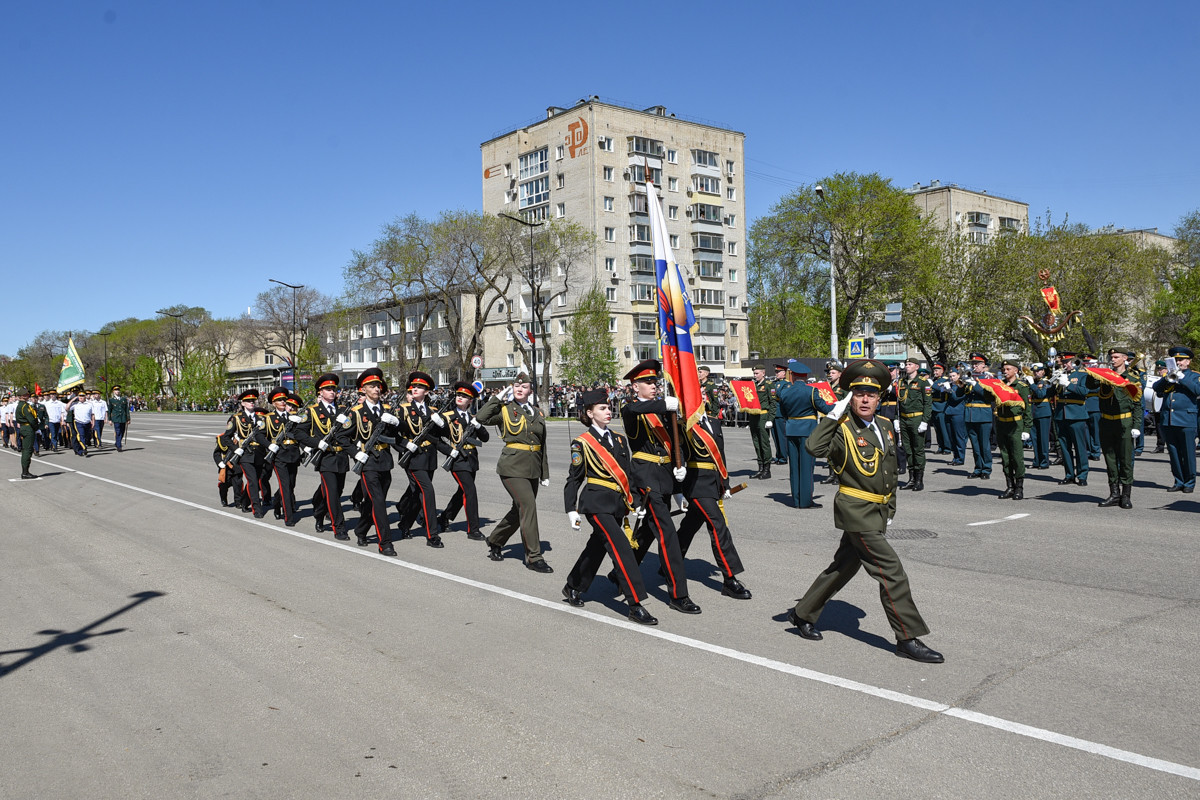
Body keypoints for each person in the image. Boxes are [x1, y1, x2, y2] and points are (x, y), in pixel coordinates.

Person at [787, 359, 943, 664]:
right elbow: (812, 447)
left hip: (878, 511)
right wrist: (835, 412)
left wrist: (891, 506)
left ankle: (802, 612)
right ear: (850, 397)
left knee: (843, 566)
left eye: (871, 394)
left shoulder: (884, 426)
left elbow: (889, 470)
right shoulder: (840, 430)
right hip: (856, 511)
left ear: (880, 398)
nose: (865, 399)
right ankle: (907, 638)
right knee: (892, 573)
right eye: (858, 393)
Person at [561, 389, 658, 625]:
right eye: (602, 408)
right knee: (621, 548)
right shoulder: (582, 443)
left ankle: (573, 585)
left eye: (608, 407)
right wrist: (571, 509)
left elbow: (629, 475)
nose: (608, 411)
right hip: (595, 503)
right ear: (589, 412)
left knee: (597, 547)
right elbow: (574, 478)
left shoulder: (620, 439)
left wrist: (635, 501)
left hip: (617, 504)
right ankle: (635, 604)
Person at [615, 359, 699, 614]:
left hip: (665, 475)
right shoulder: (630, 408)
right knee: (667, 534)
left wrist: (680, 465)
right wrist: (665, 404)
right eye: (647, 382)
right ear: (635, 385)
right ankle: (678, 594)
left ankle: (619, 574)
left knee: (648, 532)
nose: (653, 386)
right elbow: (635, 411)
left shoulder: (663, 411)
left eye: (655, 382)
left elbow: (676, 440)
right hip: (645, 478)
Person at [475, 373, 554, 573]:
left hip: (532, 467)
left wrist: (544, 473)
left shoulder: (537, 413)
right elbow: (481, 417)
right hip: (512, 466)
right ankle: (534, 557)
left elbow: (541, 445)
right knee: (528, 506)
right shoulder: (505, 410)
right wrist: (497, 398)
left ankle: (495, 540)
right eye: (516, 386)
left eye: (524, 386)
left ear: (530, 390)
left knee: (519, 510)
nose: (519, 389)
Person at [675, 406, 752, 600]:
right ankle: (729, 578)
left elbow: (720, 455)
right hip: (696, 484)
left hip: (713, 483)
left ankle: (669, 562)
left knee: (688, 527)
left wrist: (724, 484)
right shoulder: (683, 424)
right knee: (718, 526)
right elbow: (678, 452)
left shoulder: (714, 422)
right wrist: (678, 487)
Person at [348, 368, 401, 554]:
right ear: (363, 390)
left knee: (373, 502)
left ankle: (361, 529)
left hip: (385, 461)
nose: (377, 389)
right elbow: (341, 436)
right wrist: (356, 453)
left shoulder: (388, 410)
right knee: (379, 502)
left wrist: (395, 424)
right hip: (368, 462)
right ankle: (385, 542)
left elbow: (395, 436)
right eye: (372, 386)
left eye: (378, 385)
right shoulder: (356, 412)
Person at [394, 371, 447, 548]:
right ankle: (432, 535)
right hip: (413, 458)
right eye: (414, 386)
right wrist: (405, 446)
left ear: (427, 391)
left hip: (429, 458)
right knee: (428, 492)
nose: (415, 388)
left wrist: (441, 425)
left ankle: (404, 524)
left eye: (420, 387)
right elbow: (394, 434)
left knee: (417, 495)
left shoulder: (433, 411)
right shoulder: (403, 409)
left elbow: (440, 436)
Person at [300, 372, 354, 540]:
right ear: (320, 392)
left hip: (341, 456)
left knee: (337, 492)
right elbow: (298, 433)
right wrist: (316, 444)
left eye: (334, 389)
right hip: (325, 458)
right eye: (328, 389)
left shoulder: (343, 410)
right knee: (331, 492)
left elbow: (351, 430)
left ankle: (319, 512)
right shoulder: (312, 411)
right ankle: (339, 527)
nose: (332, 392)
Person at [435, 381, 491, 541]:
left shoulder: (474, 418)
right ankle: (473, 529)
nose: (460, 397)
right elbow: (434, 438)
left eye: (464, 396)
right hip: (457, 460)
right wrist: (449, 450)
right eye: (459, 395)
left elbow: (485, 438)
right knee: (470, 491)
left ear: (471, 400)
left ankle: (444, 516)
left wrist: (478, 426)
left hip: (471, 460)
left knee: (462, 492)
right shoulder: (447, 417)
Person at [1088, 347, 1142, 508]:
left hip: (1124, 422)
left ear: (1125, 359)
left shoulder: (1132, 377)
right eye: (1111, 356)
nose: (1113, 359)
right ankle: (1114, 493)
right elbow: (1090, 385)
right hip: (1106, 422)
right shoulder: (1105, 376)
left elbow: (1138, 404)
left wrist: (1136, 425)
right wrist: (1092, 371)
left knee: (1125, 460)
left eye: (1116, 357)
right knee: (1110, 459)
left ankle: (1126, 495)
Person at [777, 360, 832, 508]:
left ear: (793, 376)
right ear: (805, 377)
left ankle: (796, 499)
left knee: (794, 467)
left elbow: (782, 413)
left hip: (791, 429)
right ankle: (806, 501)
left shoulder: (785, 392)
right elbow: (826, 409)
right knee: (807, 467)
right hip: (807, 430)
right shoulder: (812, 391)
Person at [1153, 346, 1200, 493]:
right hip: (1169, 419)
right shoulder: (1170, 375)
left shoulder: (1194, 376)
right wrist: (1167, 378)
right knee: (1173, 452)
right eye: (1176, 360)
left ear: (1188, 362)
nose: (1178, 362)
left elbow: (1197, 390)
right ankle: (1178, 481)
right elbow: (1156, 388)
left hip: (1187, 419)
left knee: (1188, 452)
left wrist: (1182, 378)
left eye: (1181, 360)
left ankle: (1189, 482)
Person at [262, 388, 305, 526]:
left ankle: (276, 502)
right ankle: (289, 517)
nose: (283, 402)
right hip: (279, 455)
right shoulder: (268, 418)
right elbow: (259, 435)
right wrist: (269, 445)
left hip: (293, 454)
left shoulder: (293, 417)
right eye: (279, 400)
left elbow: (301, 436)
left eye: (284, 400)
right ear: (274, 403)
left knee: (291, 485)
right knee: (285, 485)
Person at [224, 389, 269, 516]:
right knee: (253, 481)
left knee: (257, 480)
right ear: (242, 403)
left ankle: (244, 502)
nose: (251, 403)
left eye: (253, 401)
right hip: (245, 454)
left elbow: (264, 435)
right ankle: (257, 509)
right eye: (248, 401)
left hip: (259, 453)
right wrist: (235, 449)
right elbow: (226, 437)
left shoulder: (260, 418)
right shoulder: (237, 418)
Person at [992, 360, 1032, 500]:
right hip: (1002, 424)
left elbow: (1027, 408)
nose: (1005, 371)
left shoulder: (1021, 386)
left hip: (1015, 425)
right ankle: (1010, 486)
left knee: (1017, 457)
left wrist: (1026, 428)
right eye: (1004, 369)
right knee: (1005, 457)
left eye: (1008, 369)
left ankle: (1019, 488)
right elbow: (989, 399)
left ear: (1016, 370)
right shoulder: (1000, 385)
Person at [1052, 354, 1091, 487]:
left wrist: (1068, 384)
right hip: (1061, 415)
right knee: (1065, 447)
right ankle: (1069, 474)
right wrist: (1053, 381)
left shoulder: (1082, 374)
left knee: (1079, 446)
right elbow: (1050, 393)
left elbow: (1085, 391)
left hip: (1076, 414)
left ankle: (1082, 475)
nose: (1063, 365)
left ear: (1074, 362)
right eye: (1062, 362)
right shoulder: (1061, 374)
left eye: (1066, 362)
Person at [897, 356, 932, 491]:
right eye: (906, 364)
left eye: (910, 364)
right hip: (904, 419)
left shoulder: (923, 383)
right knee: (908, 449)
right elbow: (899, 403)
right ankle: (911, 478)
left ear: (917, 367)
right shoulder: (902, 382)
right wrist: (896, 418)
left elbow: (928, 404)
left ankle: (919, 480)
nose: (907, 366)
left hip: (917, 418)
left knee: (918, 450)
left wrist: (924, 421)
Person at [958, 354, 994, 480]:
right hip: (970, 415)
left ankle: (986, 468)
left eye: (977, 364)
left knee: (984, 444)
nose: (974, 366)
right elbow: (959, 395)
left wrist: (975, 384)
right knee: (975, 445)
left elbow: (988, 395)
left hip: (983, 414)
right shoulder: (968, 377)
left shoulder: (988, 378)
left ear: (984, 365)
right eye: (973, 364)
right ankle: (978, 468)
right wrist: (961, 382)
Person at [745, 364, 777, 479]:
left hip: (763, 415)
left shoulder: (768, 385)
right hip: (753, 416)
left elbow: (773, 403)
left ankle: (767, 470)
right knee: (756, 443)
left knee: (764, 443)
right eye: (754, 373)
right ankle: (760, 468)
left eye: (757, 373)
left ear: (763, 373)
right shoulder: (753, 385)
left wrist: (770, 419)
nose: (755, 375)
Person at [1028, 364, 1053, 469]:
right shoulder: (1034, 382)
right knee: (1034, 438)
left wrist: (1032, 385)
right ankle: (1037, 461)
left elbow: (1041, 394)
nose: (1035, 373)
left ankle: (1044, 462)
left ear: (1043, 371)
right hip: (1033, 411)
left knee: (1043, 438)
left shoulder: (1046, 382)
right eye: (1034, 371)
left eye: (1038, 371)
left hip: (1043, 412)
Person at [14, 387, 40, 479]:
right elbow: (31, 419)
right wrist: (36, 428)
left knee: (26, 449)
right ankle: (25, 472)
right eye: (26, 394)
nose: (28, 395)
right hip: (28, 428)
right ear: (22, 396)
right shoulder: (24, 406)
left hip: (24, 427)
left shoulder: (21, 405)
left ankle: (25, 472)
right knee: (28, 450)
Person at [770, 364, 790, 465]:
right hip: (773, 413)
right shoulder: (773, 383)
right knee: (775, 436)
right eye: (776, 372)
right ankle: (778, 455)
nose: (776, 374)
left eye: (778, 372)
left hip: (780, 413)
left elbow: (782, 396)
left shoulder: (786, 384)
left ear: (784, 373)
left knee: (781, 436)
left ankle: (783, 457)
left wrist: (773, 393)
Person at [929, 362, 950, 455]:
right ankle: (940, 446)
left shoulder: (945, 380)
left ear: (942, 371)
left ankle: (947, 448)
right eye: (934, 370)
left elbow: (943, 389)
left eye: (937, 370)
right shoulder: (934, 380)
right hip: (934, 406)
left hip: (941, 406)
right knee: (937, 429)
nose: (935, 372)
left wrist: (933, 385)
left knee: (943, 429)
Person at [71, 388, 94, 458]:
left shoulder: (89, 404)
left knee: (87, 437)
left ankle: (82, 448)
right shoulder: (75, 404)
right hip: (78, 422)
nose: (81, 398)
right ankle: (84, 448)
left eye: (82, 396)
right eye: (80, 396)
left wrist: (93, 421)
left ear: (85, 397)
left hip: (87, 422)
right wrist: (72, 399)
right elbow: (67, 408)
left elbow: (92, 414)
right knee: (81, 435)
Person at [108, 386, 131, 452]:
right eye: (116, 390)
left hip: (123, 418)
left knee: (122, 431)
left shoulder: (123, 399)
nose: (117, 391)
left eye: (118, 390)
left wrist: (128, 418)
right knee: (118, 432)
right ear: (113, 392)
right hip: (116, 418)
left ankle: (117, 442)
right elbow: (110, 410)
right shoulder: (111, 400)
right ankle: (119, 446)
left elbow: (126, 409)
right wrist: (110, 419)